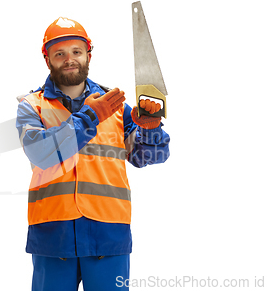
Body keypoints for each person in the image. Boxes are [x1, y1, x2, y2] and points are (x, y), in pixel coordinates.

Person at [16, 17, 170, 291]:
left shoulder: (117, 106)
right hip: (53, 235)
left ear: (88, 54)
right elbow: (41, 153)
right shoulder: (32, 106)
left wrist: (152, 129)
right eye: (59, 53)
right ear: (47, 59)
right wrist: (89, 117)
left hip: (108, 233)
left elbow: (148, 158)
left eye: (76, 51)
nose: (69, 59)